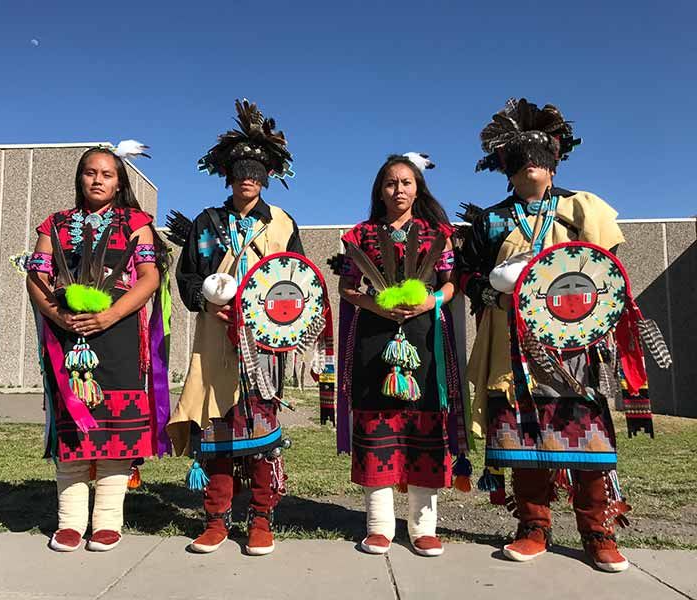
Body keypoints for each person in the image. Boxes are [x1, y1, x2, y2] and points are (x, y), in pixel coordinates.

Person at [458, 98, 635, 572]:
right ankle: (533, 525)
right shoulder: (490, 220)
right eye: (520, 156)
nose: (532, 163)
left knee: (587, 432)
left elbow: (608, 270)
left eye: (540, 154)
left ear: (556, 159)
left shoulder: (583, 207)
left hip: (573, 344)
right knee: (522, 430)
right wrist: (494, 292)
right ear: (504, 165)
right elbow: (468, 274)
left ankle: (597, 528)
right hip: (511, 343)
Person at [167, 99, 303, 556]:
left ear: (268, 176)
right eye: (241, 168)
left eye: (257, 170)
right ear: (227, 172)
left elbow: (297, 282)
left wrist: (277, 317)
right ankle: (216, 519)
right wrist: (208, 299)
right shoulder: (206, 223)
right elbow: (185, 277)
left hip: (264, 342)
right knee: (218, 429)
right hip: (214, 339)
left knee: (262, 434)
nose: (248, 176)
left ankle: (262, 519)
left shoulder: (282, 223)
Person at [26, 144, 170, 552]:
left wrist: (110, 315)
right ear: (80, 178)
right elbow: (36, 278)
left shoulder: (135, 223)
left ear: (119, 182)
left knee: (116, 428)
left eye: (107, 174)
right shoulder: (54, 224)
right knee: (72, 426)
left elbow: (148, 278)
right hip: (67, 335)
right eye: (90, 172)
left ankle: (107, 520)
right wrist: (58, 316)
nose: (97, 180)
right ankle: (70, 521)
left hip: (118, 335)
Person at [335, 153, 469, 556]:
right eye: (391, 183)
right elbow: (347, 286)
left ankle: (423, 527)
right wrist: (376, 306)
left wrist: (430, 303)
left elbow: (450, 284)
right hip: (374, 336)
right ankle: (379, 526)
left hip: (425, 335)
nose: (399, 190)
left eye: (406, 182)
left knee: (424, 422)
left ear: (418, 188)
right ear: (380, 189)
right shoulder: (359, 235)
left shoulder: (437, 234)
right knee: (377, 422)